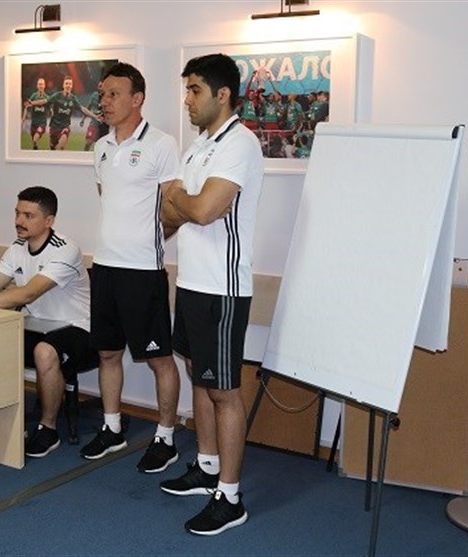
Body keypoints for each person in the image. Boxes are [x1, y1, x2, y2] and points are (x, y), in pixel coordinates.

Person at [160, 53, 263, 536]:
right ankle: (206, 467)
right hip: (192, 284)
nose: (187, 100)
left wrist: (185, 200)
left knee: (224, 391)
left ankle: (231, 495)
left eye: (195, 90)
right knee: (198, 378)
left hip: (223, 289)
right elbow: (169, 213)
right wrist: (187, 201)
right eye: (187, 90)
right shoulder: (199, 145)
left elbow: (200, 211)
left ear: (223, 95)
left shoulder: (240, 144)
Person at [83, 61, 182, 475]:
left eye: (114, 94)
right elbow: (109, 199)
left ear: (137, 98)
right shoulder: (101, 147)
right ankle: (112, 427)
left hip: (143, 271)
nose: (105, 101)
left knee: (159, 359)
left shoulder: (161, 144)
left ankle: (166, 437)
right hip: (105, 267)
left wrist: (150, 239)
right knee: (108, 352)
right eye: (102, 94)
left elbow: (173, 209)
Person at [0, 186, 96, 458]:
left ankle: (48, 429)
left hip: (78, 327)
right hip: (36, 325)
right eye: (17, 213)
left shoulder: (66, 249)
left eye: (28, 216)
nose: (19, 221)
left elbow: (29, 293)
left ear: (49, 220)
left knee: (44, 351)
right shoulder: (17, 249)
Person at [47, 76, 99, 151]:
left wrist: (95, 116)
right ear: (63, 85)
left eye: (70, 84)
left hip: (65, 126)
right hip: (54, 126)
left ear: (72, 86)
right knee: (52, 148)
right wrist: (50, 109)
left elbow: (82, 109)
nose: (68, 85)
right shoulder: (57, 96)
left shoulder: (73, 98)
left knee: (60, 148)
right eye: (66, 83)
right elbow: (47, 102)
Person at [23, 77, 50, 150]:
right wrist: (23, 119)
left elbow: (51, 109)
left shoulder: (47, 97)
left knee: (35, 139)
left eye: (42, 84)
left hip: (42, 123)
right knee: (34, 143)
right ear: (37, 86)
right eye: (39, 84)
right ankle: (37, 150)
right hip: (34, 123)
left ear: (44, 86)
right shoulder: (34, 96)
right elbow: (27, 106)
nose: (40, 86)